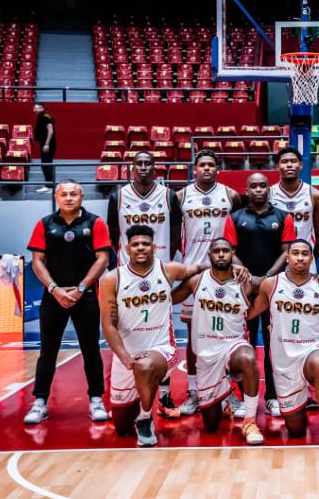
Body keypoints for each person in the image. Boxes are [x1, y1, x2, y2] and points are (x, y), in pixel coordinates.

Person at [99, 225, 212, 447]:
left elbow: (199, 268)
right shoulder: (112, 279)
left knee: (145, 366)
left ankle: (144, 418)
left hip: (163, 350)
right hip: (127, 356)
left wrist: (233, 267)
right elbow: (109, 325)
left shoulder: (168, 270)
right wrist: (124, 357)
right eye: (135, 244)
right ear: (127, 248)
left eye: (145, 244)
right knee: (122, 427)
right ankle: (137, 411)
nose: (140, 248)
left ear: (153, 247)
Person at [23, 180, 111, 425]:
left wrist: (81, 288)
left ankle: (96, 399)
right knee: (47, 351)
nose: (69, 198)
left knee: (91, 350)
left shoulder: (95, 223)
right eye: (64, 194)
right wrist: (54, 289)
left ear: (82, 196)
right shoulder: (45, 224)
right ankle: (40, 401)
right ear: (56, 197)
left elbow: (102, 259)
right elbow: (37, 261)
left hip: (86, 296)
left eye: (74, 194)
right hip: (54, 297)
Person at [107, 150, 183, 418]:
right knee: (125, 331)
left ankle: (164, 397)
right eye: (138, 163)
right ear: (131, 168)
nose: (143, 167)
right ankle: (126, 390)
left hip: (158, 274)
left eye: (148, 163)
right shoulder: (117, 196)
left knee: (162, 335)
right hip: (127, 276)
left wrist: (163, 265)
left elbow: (175, 233)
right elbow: (113, 233)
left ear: (155, 168)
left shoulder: (168, 196)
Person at [249, 239, 319, 451]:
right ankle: (300, 402)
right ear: (288, 258)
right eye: (296, 253)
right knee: (296, 429)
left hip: (311, 351)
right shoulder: (270, 285)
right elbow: (251, 313)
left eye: (305, 254)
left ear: (311, 259)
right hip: (284, 364)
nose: (300, 257)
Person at [172, 237, 265, 445]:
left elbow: (274, 285)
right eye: (217, 251)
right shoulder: (197, 281)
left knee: (248, 358)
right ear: (210, 255)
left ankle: (250, 421)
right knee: (211, 426)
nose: (221, 254)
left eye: (225, 251)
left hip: (233, 345)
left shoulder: (245, 281)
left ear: (232, 254)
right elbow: (169, 298)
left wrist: (313, 279)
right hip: (207, 354)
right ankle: (223, 398)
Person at [223, 172, 295, 417]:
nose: (258, 190)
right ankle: (245, 397)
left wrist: (265, 279)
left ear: (269, 189)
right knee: (246, 345)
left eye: (263, 186)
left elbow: (287, 253)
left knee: (274, 345)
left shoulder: (283, 217)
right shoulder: (235, 217)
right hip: (244, 290)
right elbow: (229, 251)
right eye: (253, 186)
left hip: (274, 289)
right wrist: (246, 274)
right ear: (246, 189)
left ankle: (273, 396)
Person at [177, 149, 242, 416]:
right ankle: (194, 392)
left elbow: (237, 232)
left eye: (211, 165)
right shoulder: (180, 197)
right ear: (194, 169)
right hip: (195, 275)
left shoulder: (231, 196)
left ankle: (228, 394)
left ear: (218, 168)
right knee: (194, 339)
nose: (206, 169)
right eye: (201, 165)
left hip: (226, 275)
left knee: (228, 335)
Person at [269, 146, 319, 274]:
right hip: (275, 261)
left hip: (304, 259)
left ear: (300, 165)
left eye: (293, 161)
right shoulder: (269, 195)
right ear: (277, 167)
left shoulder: (315, 195)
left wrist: (310, 257)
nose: (289, 165)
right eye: (284, 162)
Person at [33, 103, 57, 193]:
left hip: (48, 145)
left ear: (42, 108)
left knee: (47, 165)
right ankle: (48, 186)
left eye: (37, 108)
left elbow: (50, 131)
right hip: (45, 144)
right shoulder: (41, 116)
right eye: (34, 108)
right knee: (45, 165)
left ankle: (50, 187)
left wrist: (47, 144)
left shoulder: (45, 117)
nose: (34, 110)